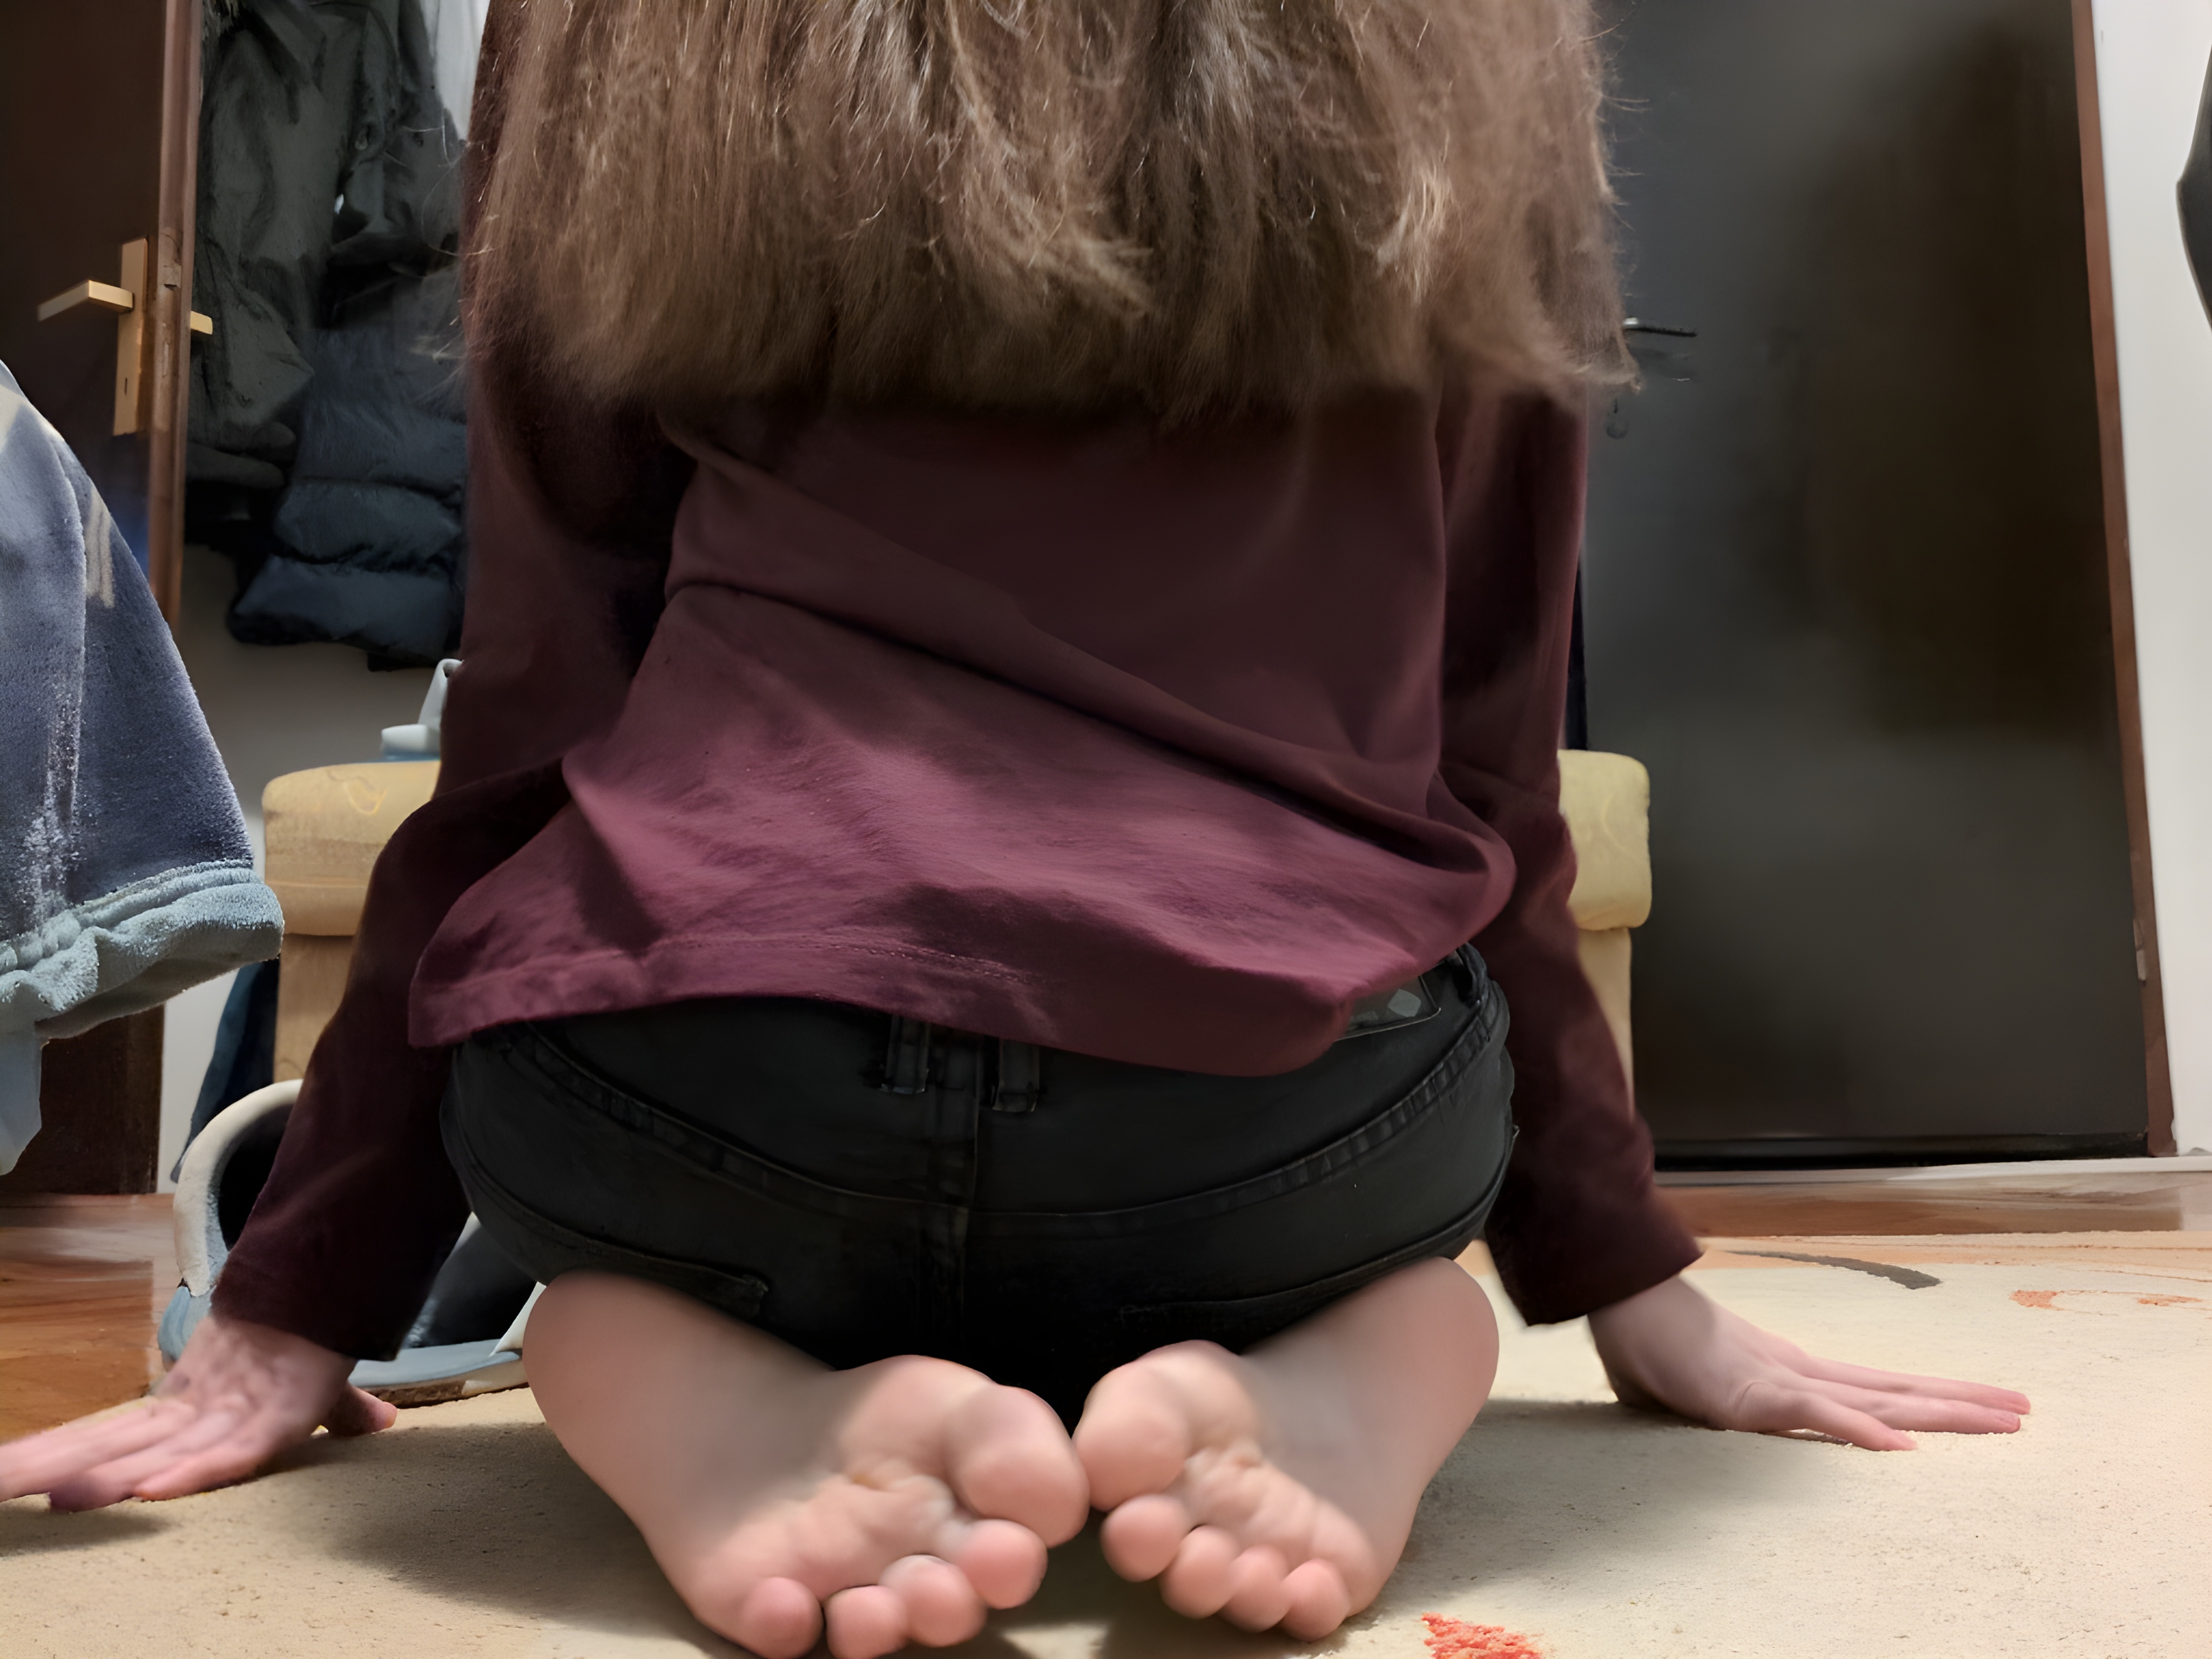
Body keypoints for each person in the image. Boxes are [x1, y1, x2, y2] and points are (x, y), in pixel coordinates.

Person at [0, 5, 2029, 1657]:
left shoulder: (624, 27)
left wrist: (300, 1300)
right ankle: (1344, 1380)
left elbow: (534, 714)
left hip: (699, 1100)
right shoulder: (1465, 37)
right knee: (1417, 1281)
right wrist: (1624, 1271)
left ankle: (698, 1390)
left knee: (601, 1285)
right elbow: (1489, 761)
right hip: (1276, 1126)